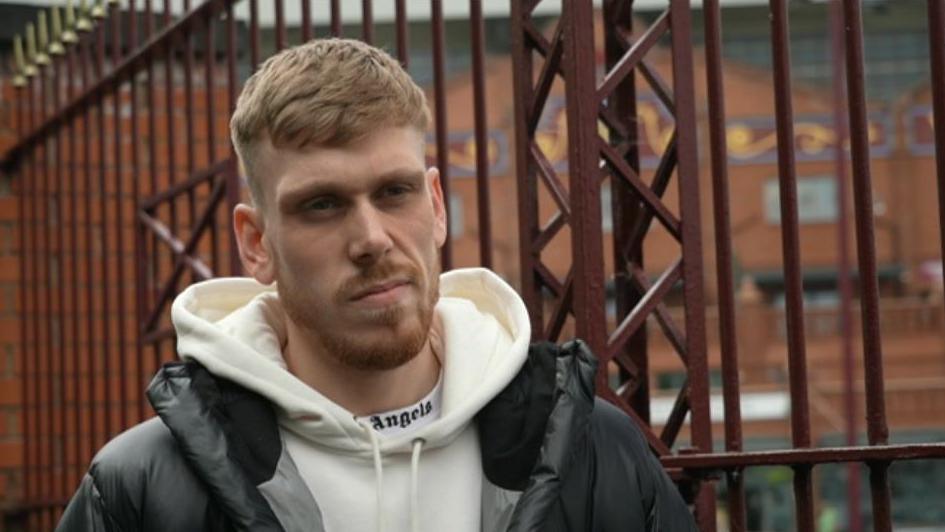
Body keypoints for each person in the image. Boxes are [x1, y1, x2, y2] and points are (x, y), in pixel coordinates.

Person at [57, 38, 697, 532]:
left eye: (395, 192)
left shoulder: (594, 453)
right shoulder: (144, 487)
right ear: (256, 243)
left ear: (438, 205)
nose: (371, 238)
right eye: (321, 205)